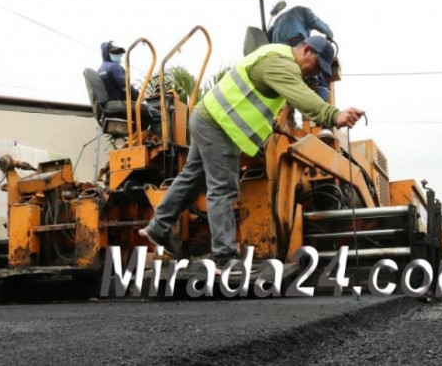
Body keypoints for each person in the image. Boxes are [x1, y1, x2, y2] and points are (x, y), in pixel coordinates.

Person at [139, 36, 364, 270]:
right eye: (317, 66)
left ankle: (158, 228)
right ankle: (224, 259)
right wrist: (333, 115)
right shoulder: (282, 64)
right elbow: (300, 95)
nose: (315, 74)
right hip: (220, 125)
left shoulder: (274, 56)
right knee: (223, 188)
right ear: (307, 50)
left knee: (193, 178)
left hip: (207, 117)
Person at [268, 6, 335, 101]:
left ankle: (289, 112)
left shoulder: (277, 20)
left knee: (288, 85)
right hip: (296, 44)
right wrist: (329, 32)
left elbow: (268, 37)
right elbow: (316, 22)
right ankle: (320, 96)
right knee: (316, 66)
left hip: (281, 53)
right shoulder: (302, 11)